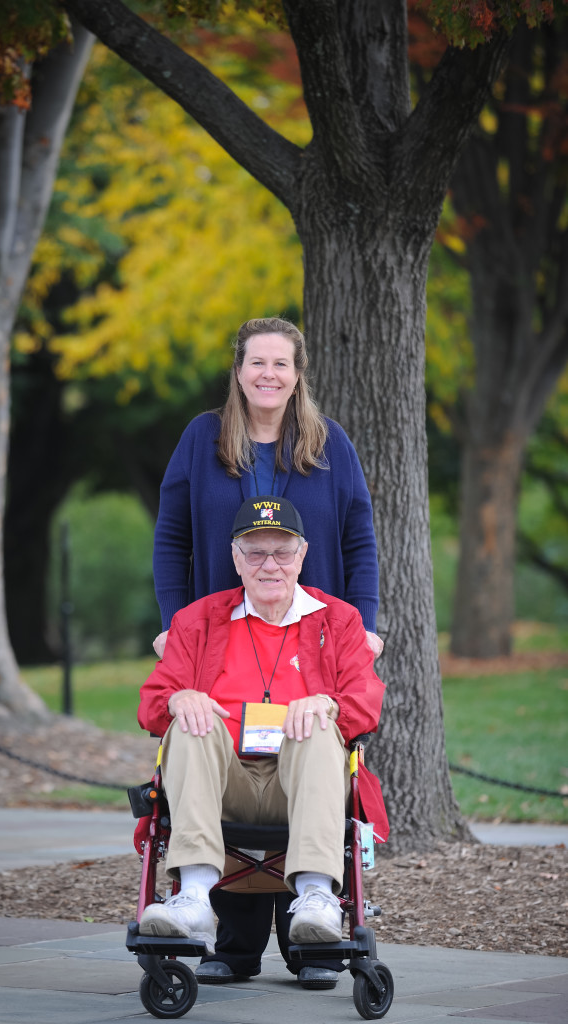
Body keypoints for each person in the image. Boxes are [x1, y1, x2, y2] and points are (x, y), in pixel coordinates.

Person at [151, 317, 383, 988]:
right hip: (218, 633)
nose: (269, 375)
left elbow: (359, 539)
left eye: (282, 364)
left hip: (308, 638)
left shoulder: (328, 442)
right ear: (239, 369)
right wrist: (174, 624)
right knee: (218, 743)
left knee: (304, 747)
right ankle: (234, 941)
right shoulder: (203, 439)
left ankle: (309, 943)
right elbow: (171, 538)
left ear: (298, 371)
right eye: (257, 363)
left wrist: (362, 627)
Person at [138, 496, 387, 967]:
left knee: (315, 721)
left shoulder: (338, 620)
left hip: (301, 784)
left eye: (282, 552)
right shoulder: (198, 621)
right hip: (222, 782)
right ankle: (192, 900)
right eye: (255, 552)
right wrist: (177, 699)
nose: (269, 565)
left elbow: (367, 700)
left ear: (302, 555)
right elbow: (152, 700)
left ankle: (317, 898)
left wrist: (328, 704)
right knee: (192, 720)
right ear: (235, 559)